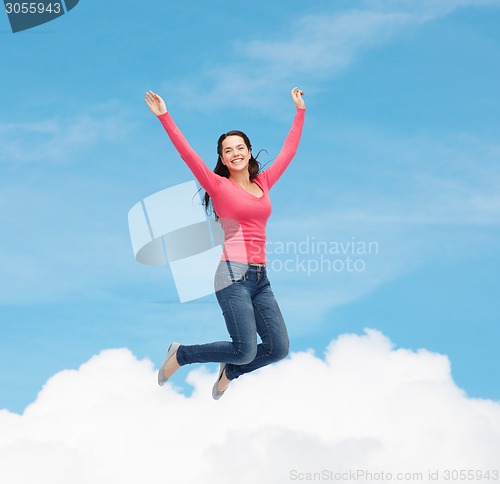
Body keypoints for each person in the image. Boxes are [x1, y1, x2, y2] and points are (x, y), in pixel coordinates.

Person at [144, 87, 306, 399]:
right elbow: (187, 154)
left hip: (261, 278)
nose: (235, 153)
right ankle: (181, 354)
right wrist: (165, 116)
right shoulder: (218, 186)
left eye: (240, 147)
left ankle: (229, 371)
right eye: (227, 150)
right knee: (244, 349)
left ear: (249, 151)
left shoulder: (264, 183)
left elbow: (289, 151)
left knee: (278, 348)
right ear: (221, 157)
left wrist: (300, 111)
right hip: (232, 276)